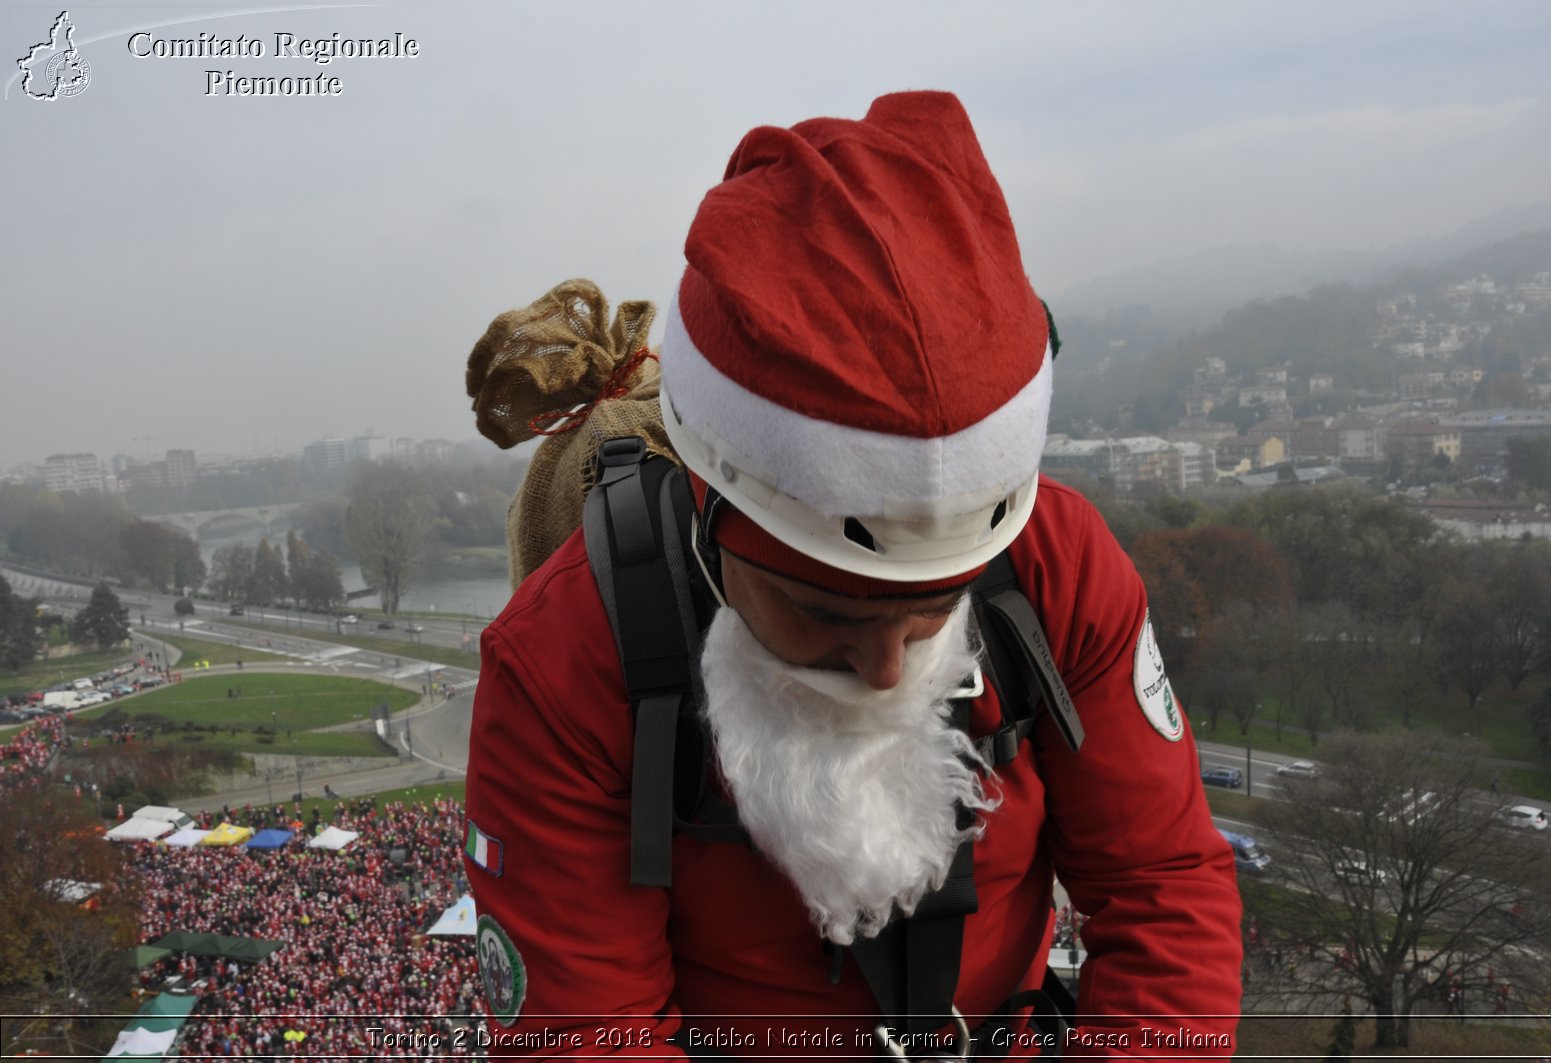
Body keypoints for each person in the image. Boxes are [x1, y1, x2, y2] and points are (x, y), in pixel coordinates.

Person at [465, 91, 1242, 1058]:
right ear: (711, 505)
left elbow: (1165, 886)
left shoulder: (1056, 568)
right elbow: (586, 1032)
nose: (884, 665)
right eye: (823, 608)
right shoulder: (565, 662)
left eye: (931, 610)